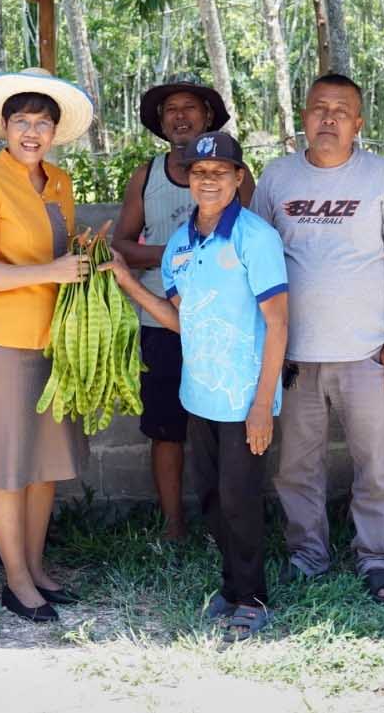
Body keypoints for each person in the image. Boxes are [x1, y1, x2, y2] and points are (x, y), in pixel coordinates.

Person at [104, 131, 289, 642]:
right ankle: (231, 587)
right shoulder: (182, 243)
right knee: (209, 495)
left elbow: (277, 324)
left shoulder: (256, 237)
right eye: (200, 173)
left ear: (237, 179)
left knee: (240, 497)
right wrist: (129, 284)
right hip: (199, 393)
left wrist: (261, 406)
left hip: (243, 397)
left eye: (220, 173)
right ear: (188, 180)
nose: (209, 180)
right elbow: (181, 320)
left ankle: (251, 597)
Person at [253, 73, 384, 603]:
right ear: (303, 117)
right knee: (297, 467)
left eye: (341, 111)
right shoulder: (276, 178)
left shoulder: (383, 177)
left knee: (375, 465)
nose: (329, 119)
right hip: (295, 354)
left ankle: (376, 557)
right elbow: (256, 258)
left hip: (368, 352)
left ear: (358, 123)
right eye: (319, 109)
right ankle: (308, 555)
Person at [0, 69, 95, 623]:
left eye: (42, 123)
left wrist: (81, 255)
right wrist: (51, 270)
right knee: (7, 464)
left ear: (55, 132)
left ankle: (35, 568)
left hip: (51, 339)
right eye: (21, 122)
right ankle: (14, 581)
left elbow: (61, 254)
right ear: (4, 128)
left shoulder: (59, 181)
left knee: (43, 463)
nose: (31, 132)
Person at [114, 78, 251, 541]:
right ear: (160, 122)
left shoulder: (236, 173)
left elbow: (244, 239)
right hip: (160, 320)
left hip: (222, 323)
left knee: (221, 428)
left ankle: (224, 524)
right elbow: (120, 244)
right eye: (170, 110)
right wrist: (173, 255)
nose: (179, 116)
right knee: (166, 430)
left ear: (207, 117)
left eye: (189, 108)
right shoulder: (146, 175)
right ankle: (173, 525)